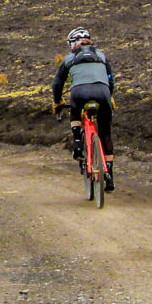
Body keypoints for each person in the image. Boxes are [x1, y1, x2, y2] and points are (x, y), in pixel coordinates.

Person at [52, 27, 116, 190]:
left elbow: (57, 83)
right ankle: (109, 177)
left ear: (72, 44)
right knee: (105, 133)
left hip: (79, 92)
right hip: (103, 92)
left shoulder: (69, 58)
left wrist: (58, 102)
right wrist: (110, 96)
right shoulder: (101, 55)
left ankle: (78, 142)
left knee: (75, 109)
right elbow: (110, 79)